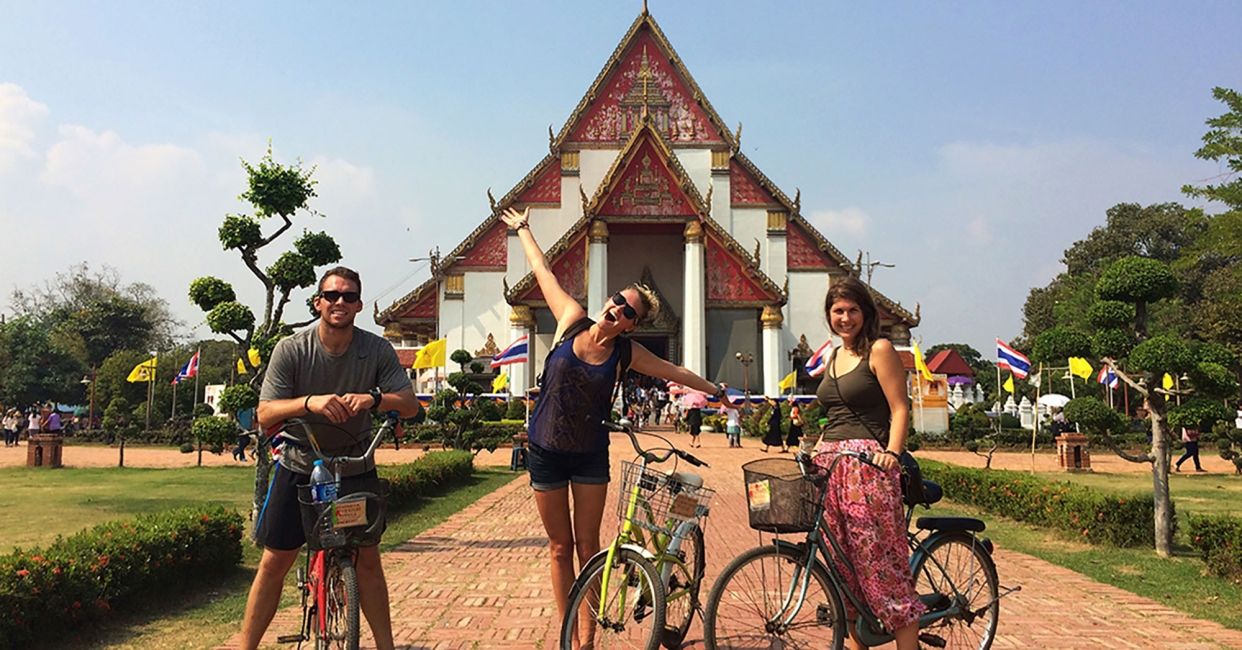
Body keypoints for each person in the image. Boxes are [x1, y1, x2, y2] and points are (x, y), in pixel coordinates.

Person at [500, 207, 722, 649]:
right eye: (616, 302)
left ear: (632, 325)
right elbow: (543, 272)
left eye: (627, 313)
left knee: (589, 548)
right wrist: (523, 229)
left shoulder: (626, 353)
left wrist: (715, 388)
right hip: (544, 448)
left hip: (588, 455)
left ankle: (586, 637)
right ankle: (568, 631)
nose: (616, 311)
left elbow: (674, 371)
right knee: (559, 547)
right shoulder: (571, 319)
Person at [239, 266, 422, 650]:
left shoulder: (375, 349)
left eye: (349, 297)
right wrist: (310, 403)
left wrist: (373, 399)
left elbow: (408, 405)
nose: (340, 302)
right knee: (276, 561)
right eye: (333, 295)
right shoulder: (292, 349)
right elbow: (266, 413)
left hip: (355, 465)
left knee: (368, 560)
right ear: (318, 302)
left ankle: (386, 646)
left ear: (358, 305)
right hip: (300, 464)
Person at [813, 275, 924, 650]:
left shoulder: (879, 349)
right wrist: (814, 449)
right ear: (829, 315)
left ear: (866, 313)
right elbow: (834, 415)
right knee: (843, 571)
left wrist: (891, 455)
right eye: (838, 311)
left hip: (868, 469)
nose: (845, 318)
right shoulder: (834, 355)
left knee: (881, 568)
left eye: (852, 310)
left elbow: (899, 407)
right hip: (831, 467)